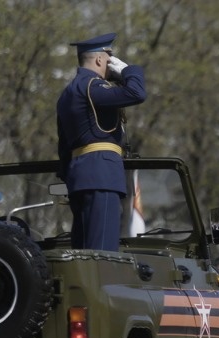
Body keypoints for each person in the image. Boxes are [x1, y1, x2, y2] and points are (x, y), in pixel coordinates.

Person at [56, 32, 146, 251]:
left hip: (80, 177)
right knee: (102, 254)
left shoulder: (68, 93)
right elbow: (137, 93)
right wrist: (128, 71)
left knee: (84, 251)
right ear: (99, 60)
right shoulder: (93, 88)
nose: (110, 63)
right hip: (102, 175)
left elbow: (64, 146)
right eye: (109, 58)